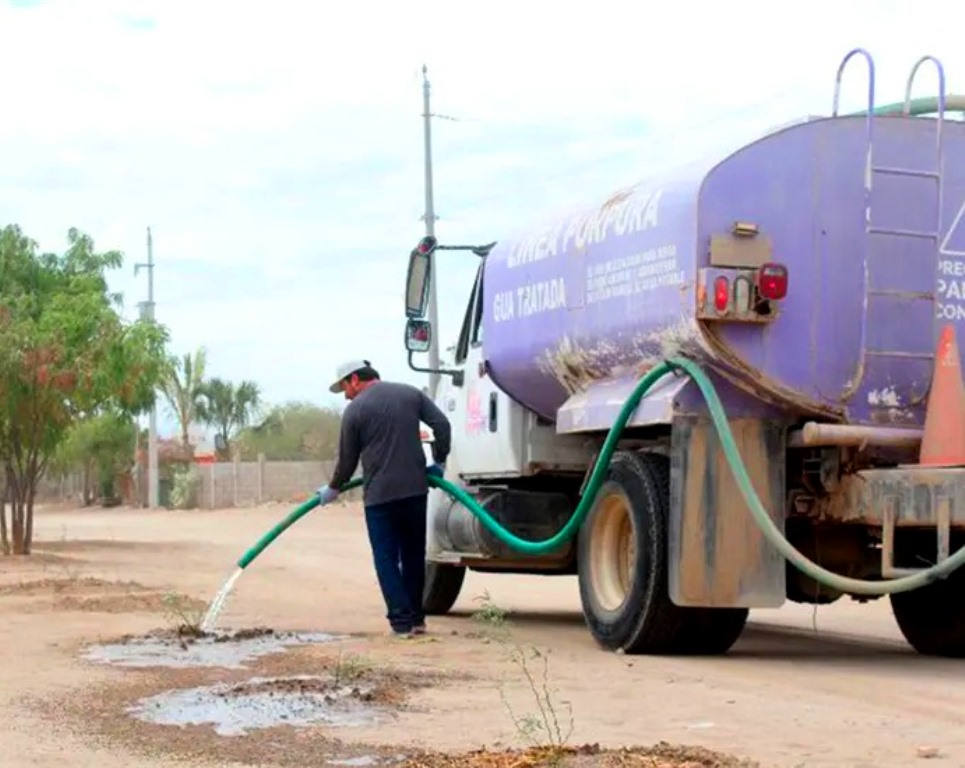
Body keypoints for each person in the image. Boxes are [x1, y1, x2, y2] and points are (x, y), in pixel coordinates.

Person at [317, 359, 452, 638]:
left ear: (355, 379)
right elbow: (442, 425)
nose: (346, 396)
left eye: (345, 388)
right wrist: (438, 462)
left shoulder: (355, 410)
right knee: (413, 555)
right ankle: (416, 620)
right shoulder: (410, 394)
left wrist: (333, 487)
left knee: (386, 559)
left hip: (380, 498)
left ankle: (401, 623)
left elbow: (347, 461)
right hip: (415, 491)